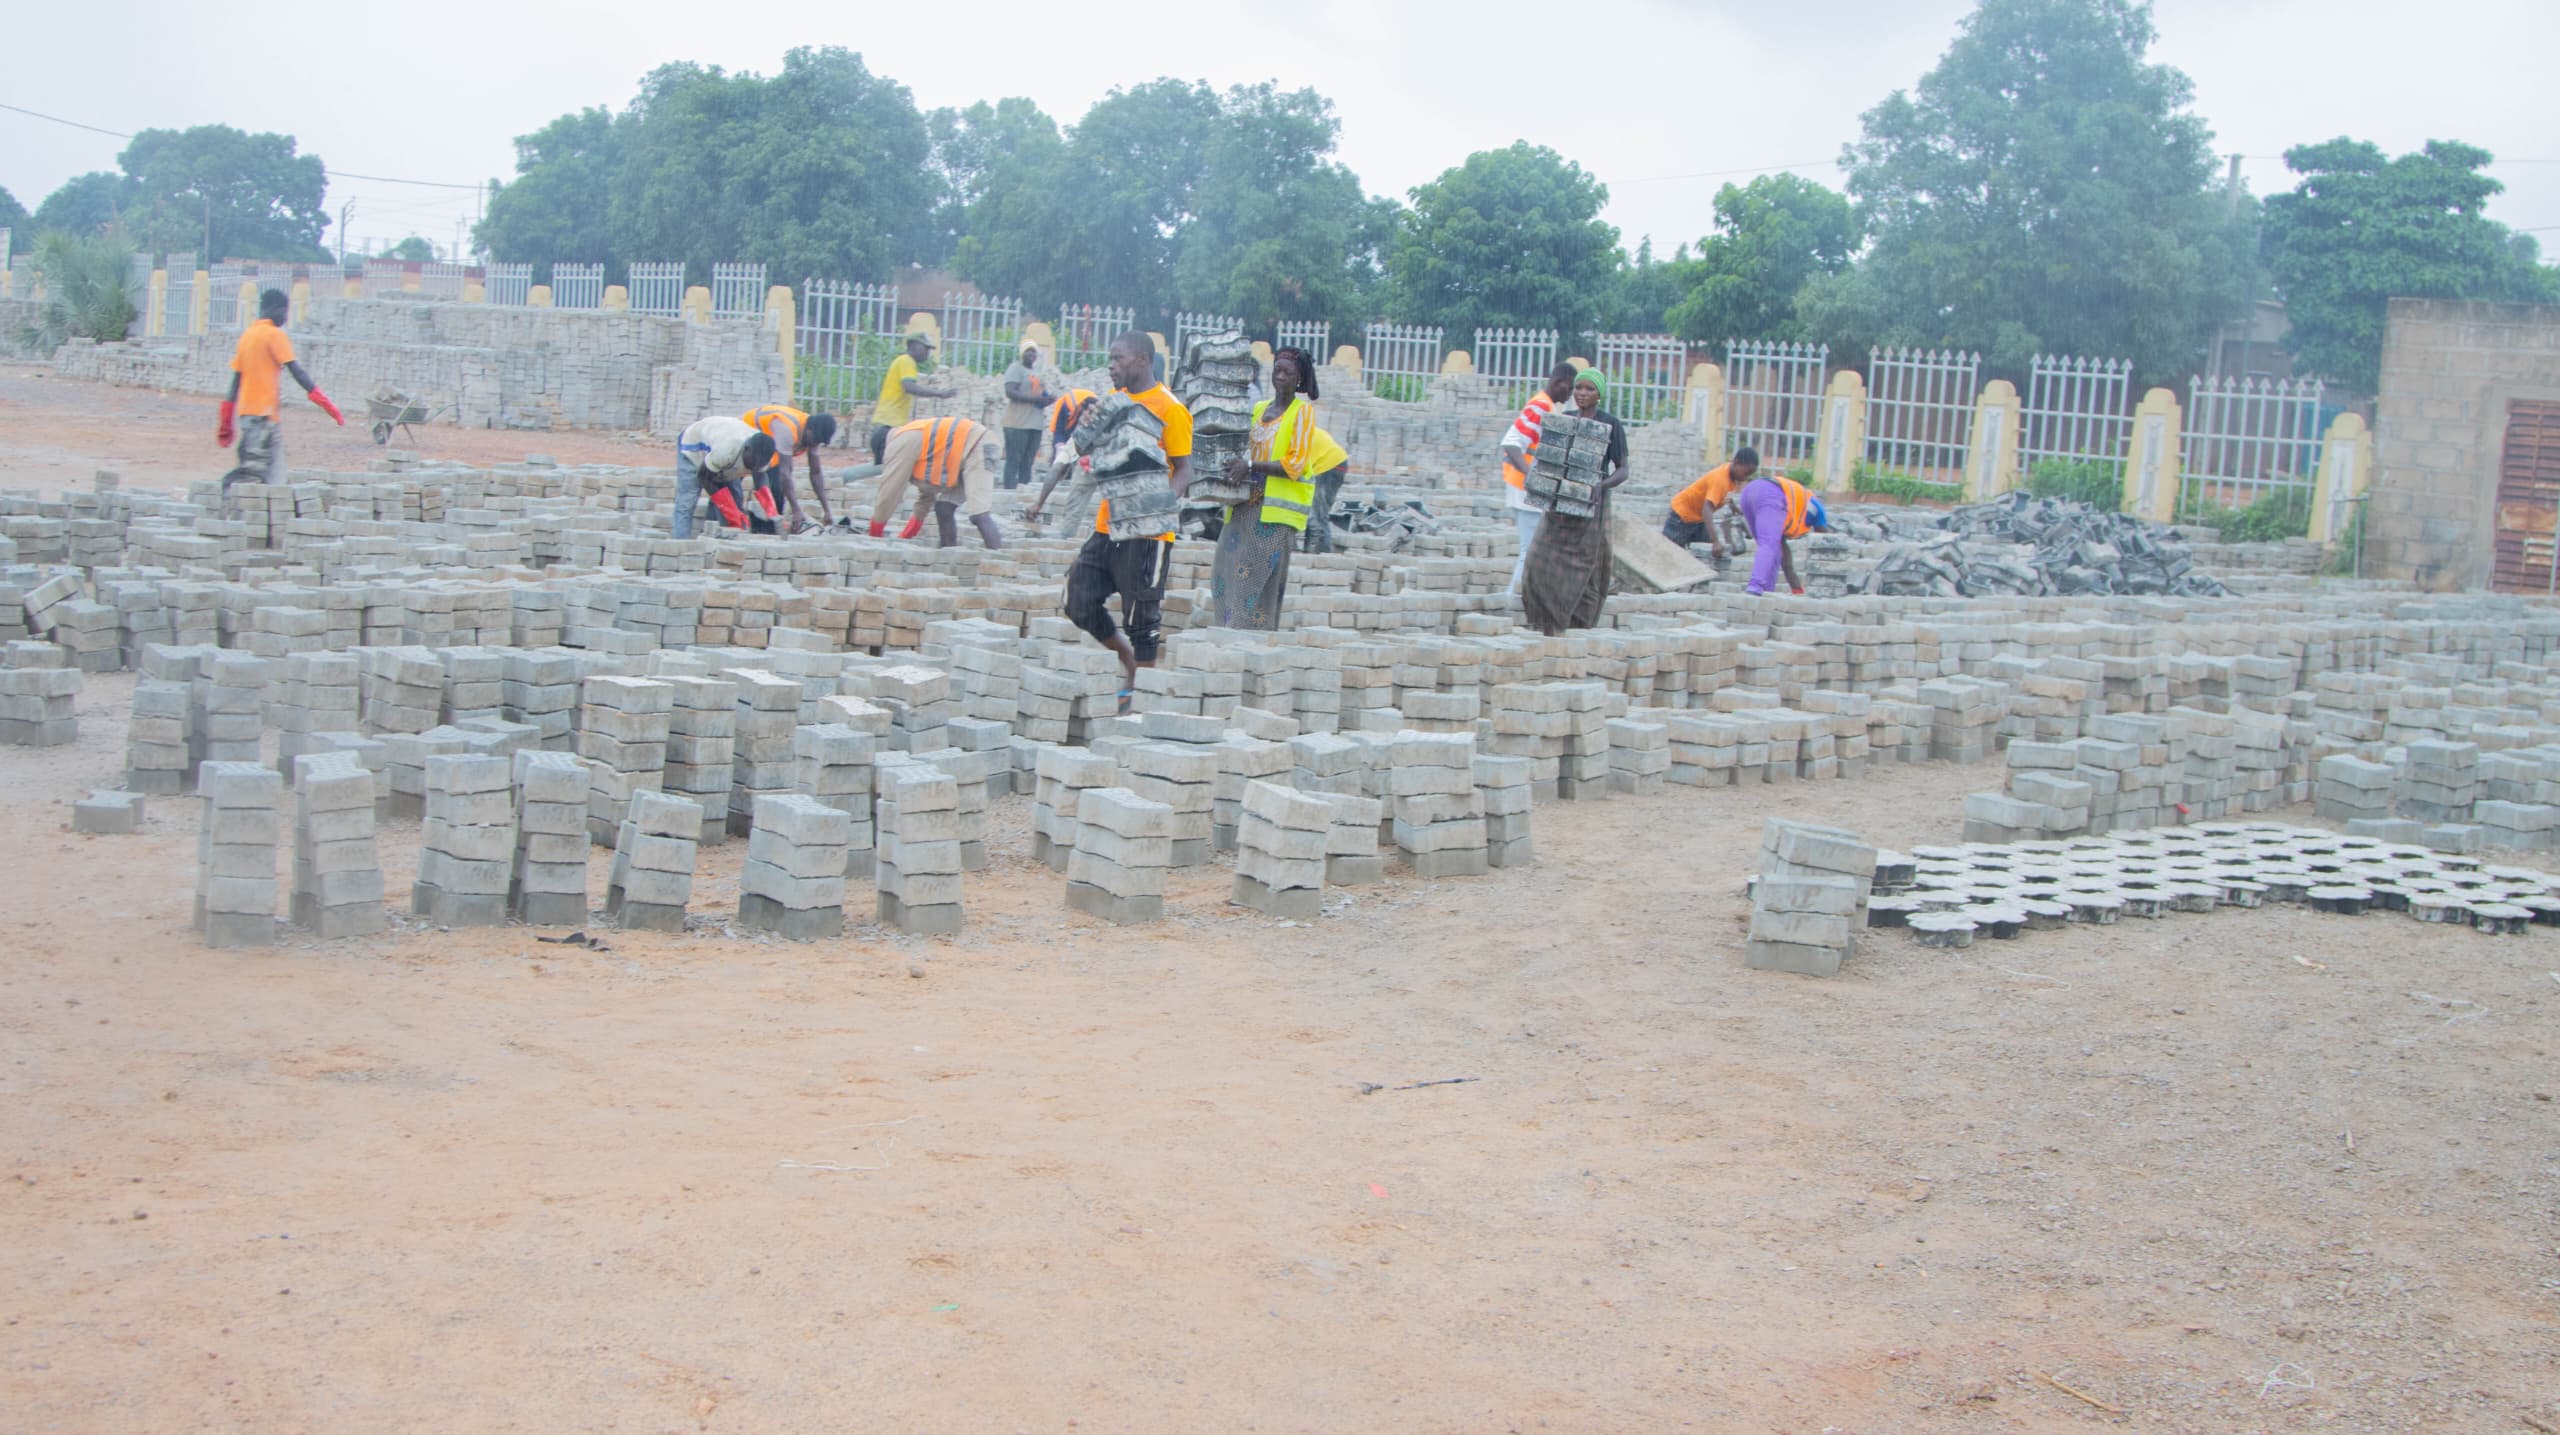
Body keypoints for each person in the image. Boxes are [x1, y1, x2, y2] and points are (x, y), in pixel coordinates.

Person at [1025, 332, 1192, 707]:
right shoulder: (1111, 404)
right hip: (1107, 527)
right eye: (1110, 358)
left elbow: (1185, 470)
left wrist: (1160, 506)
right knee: (1077, 599)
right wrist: (1040, 498)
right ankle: (1129, 663)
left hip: (1148, 533)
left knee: (1142, 618)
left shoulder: (1170, 409)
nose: (1111, 365)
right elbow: (1072, 451)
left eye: (1119, 358)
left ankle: (1141, 696)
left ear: (1143, 360)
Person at [1209, 346, 1318, 629]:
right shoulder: (1259, 409)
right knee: (1224, 570)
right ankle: (1225, 632)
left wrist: (1250, 466)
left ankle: (1249, 638)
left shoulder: (1302, 413)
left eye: (1287, 373)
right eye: (1277, 370)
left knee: (1254, 578)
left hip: (1273, 513)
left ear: (1299, 379)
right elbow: (1242, 448)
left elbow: (1295, 464)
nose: (1280, 376)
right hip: (1244, 503)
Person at [1517, 368, 1630, 636]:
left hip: (1591, 507)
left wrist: (1600, 485)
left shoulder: (1611, 424)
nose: (1582, 393)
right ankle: (1542, 622)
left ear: (1599, 394)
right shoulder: (1563, 419)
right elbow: (1548, 459)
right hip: (1558, 508)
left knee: (1583, 568)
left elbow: (1623, 470)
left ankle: (1575, 627)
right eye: (1579, 387)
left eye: (1590, 389)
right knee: (1536, 563)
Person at [217, 288, 343, 487]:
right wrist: (326, 404)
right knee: (253, 472)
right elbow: (297, 371)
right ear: (275, 308)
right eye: (285, 311)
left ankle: (268, 501)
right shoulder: (274, 335)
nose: (285, 317)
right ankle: (225, 493)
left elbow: (235, 382)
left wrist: (226, 420)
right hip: (262, 416)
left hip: (251, 416)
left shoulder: (247, 336)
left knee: (275, 474)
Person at [1497, 361, 1583, 591]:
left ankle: (1522, 598)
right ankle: (1511, 600)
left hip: (1532, 488)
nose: (1571, 394)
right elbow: (1511, 443)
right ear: (1559, 383)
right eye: (1570, 388)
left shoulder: (1548, 407)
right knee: (1530, 551)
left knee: (1535, 550)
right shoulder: (1540, 407)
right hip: (1525, 488)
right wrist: (1531, 476)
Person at [868, 415, 1003, 549]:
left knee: (978, 514)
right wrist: (910, 532)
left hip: (979, 446)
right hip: (966, 456)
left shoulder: (900, 442)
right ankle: (950, 555)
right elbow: (928, 490)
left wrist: (875, 533)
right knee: (943, 508)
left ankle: (998, 559)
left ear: (883, 449)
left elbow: (889, 492)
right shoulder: (915, 439)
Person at [673, 416, 778, 538]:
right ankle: (680, 542)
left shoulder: (762, 452)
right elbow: (703, 476)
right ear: (746, 450)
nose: (754, 468)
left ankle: (725, 540)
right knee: (687, 501)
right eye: (753, 464)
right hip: (693, 446)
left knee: (735, 500)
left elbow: (760, 477)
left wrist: (771, 510)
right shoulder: (726, 450)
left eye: (758, 466)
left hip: (723, 457)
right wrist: (728, 508)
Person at [742, 405, 839, 533]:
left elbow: (816, 472)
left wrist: (827, 510)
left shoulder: (812, 435)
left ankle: (772, 528)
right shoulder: (786, 429)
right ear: (810, 430)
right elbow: (785, 473)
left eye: (818, 442)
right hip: (749, 429)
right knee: (772, 485)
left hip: (771, 443)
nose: (815, 444)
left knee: (777, 490)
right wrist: (796, 510)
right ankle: (754, 527)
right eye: (815, 440)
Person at [869, 333, 955, 464]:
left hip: (886, 424)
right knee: (892, 468)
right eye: (925, 348)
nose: (927, 352)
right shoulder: (907, 361)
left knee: (888, 468)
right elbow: (909, 387)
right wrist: (939, 393)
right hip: (888, 426)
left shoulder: (902, 361)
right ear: (913, 346)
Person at [1735, 469, 1824, 595]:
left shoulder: (1786, 517)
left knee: (1773, 550)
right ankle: (1755, 586)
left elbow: (1787, 564)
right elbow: (1824, 542)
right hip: (1770, 494)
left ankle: (1767, 590)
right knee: (1768, 544)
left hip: (1749, 492)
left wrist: (1797, 590)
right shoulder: (1818, 510)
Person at [1664, 447, 1759, 560]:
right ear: (1737, 463)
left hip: (1698, 519)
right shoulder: (1720, 479)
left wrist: (1733, 507)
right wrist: (1715, 542)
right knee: (1669, 555)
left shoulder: (1731, 475)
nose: (1745, 478)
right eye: (1746, 473)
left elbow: (1724, 495)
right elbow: (1707, 509)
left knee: (1705, 556)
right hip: (1681, 516)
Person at [999, 343, 1049, 489]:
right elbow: (1010, 391)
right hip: (1017, 423)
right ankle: (1009, 493)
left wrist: (1047, 399)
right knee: (1014, 460)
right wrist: (1034, 399)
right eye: (1028, 351)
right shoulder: (1016, 368)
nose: (1032, 354)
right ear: (1022, 353)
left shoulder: (1037, 372)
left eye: (1034, 352)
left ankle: (1023, 492)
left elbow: (1040, 394)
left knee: (1028, 462)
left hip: (1035, 423)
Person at [1301, 425, 1350, 554]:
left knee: (1318, 512)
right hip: (1334, 462)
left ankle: (1322, 554)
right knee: (1316, 510)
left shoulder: (1289, 434)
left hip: (1328, 465)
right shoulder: (1300, 428)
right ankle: (1312, 549)